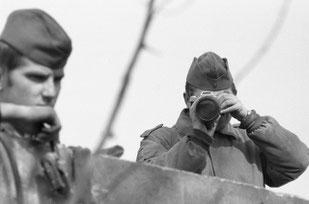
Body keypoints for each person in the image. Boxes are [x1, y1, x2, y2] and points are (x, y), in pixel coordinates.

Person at [136, 51, 309, 188]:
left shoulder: (249, 142)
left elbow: (297, 162)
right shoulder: (162, 139)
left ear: (236, 97)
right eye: (206, 99)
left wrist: (250, 119)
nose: (215, 106)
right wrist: (197, 139)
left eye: (224, 97)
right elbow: (146, 184)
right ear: (187, 100)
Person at [0, 9, 94, 204]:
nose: (50, 91)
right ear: (2, 74)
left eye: (57, 79)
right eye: (37, 77)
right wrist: (19, 113)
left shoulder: (67, 160)